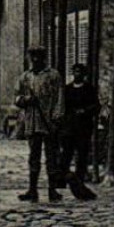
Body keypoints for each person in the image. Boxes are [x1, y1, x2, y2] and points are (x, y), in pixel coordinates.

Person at [15, 48, 64, 202]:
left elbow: (59, 98)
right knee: (33, 157)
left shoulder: (53, 76)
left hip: (49, 122)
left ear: (44, 58)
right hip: (32, 122)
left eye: (39, 57)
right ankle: (32, 190)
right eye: (33, 57)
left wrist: (56, 117)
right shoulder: (25, 77)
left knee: (51, 157)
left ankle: (52, 190)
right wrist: (26, 100)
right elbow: (17, 98)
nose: (35, 60)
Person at [58, 64, 100, 201]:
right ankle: (67, 178)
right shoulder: (67, 89)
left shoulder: (89, 89)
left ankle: (80, 182)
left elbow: (96, 106)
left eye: (80, 72)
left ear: (84, 74)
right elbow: (62, 107)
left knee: (82, 156)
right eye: (75, 72)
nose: (77, 74)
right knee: (66, 155)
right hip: (69, 128)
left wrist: (85, 111)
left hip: (83, 127)